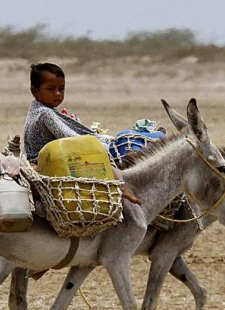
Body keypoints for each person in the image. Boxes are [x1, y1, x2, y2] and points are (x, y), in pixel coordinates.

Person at [22, 62, 142, 205]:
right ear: (34, 91)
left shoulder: (36, 108)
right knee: (99, 157)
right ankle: (121, 187)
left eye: (61, 89)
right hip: (44, 162)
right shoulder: (45, 113)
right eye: (50, 89)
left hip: (42, 157)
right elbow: (72, 138)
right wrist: (99, 142)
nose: (58, 94)